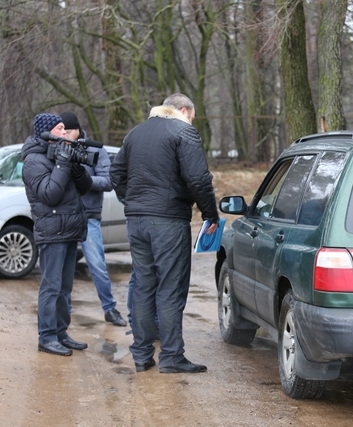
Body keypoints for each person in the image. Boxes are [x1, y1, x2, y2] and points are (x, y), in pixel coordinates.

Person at [110, 93, 219, 373]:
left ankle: (142, 354)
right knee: (170, 288)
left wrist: (133, 202)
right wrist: (210, 215)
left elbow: (116, 174)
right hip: (169, 220)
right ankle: (171, 357)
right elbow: (198, 178)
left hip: (136, 220)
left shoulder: (135, 133)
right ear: (183, 110)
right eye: (191, 115)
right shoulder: (184, 131)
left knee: (144, 286)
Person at [21, 113, 93, 356]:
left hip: (70, 229)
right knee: (51, 286)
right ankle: (47, 336)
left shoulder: (60, 153)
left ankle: (61, 333)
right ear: (48, 132)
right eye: (60, 128)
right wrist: (63, 163)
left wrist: (73, 165)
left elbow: (85, 188)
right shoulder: (33, 160)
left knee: (64, 287)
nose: (65, 132)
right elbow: (50, 194)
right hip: (52, 231)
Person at [60, 111, 127, 327]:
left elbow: (108, 182)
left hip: (88, 216)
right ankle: (65, 313)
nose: (65, 135)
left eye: (68, 131)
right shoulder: (59, 147)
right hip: (65, 216)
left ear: (78, 129)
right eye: (62, 131)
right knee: (64, 267)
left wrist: (83, 180)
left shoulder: (95, 149)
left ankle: (109, 309)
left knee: (97, 265)